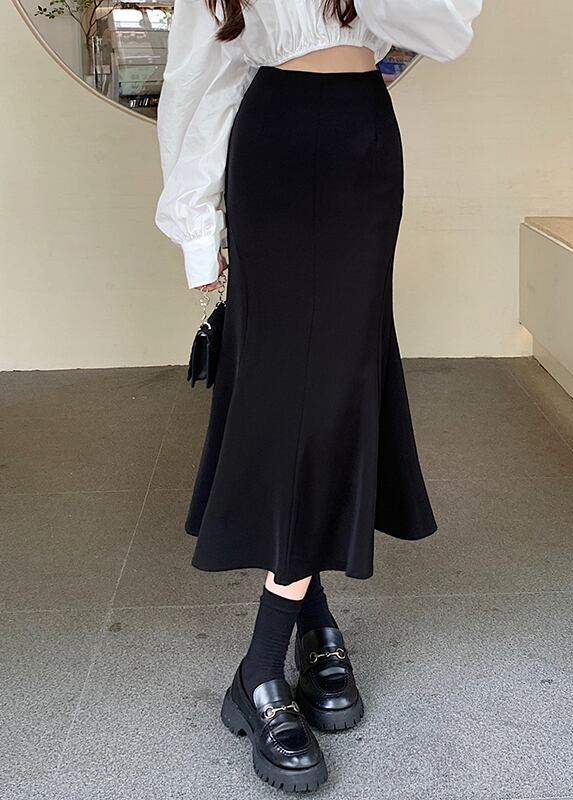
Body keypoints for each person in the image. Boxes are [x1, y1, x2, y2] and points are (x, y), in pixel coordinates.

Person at [154, 0, 482, 791]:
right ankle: (266, 662)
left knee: (338, 383)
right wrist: (196, 220)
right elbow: (201, 73)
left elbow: (449, 29)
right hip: (270, 138)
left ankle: (296, 629)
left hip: (361, 139)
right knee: (290, 393)